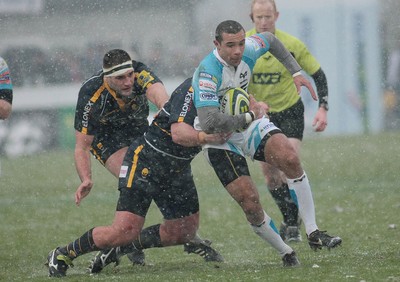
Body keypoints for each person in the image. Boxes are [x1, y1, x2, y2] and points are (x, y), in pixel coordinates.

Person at [46, 77, 227, 277]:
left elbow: (156, 88)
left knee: (184, 231)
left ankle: (122, 248)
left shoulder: (228, 86)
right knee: (123, 231)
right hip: (145, 163)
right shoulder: (198, 85)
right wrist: (206, 137)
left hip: (177, 166)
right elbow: (178, 134)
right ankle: (64, 253)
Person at [192, 20, 341, 259]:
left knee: (290, 158)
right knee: (250, 202)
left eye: (241, 43)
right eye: (230, 45)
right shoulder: (208, 71)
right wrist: (251, 114)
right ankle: (286, 252)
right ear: (216, 44)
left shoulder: (249, 49)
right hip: (218, 139)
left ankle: (313, 231)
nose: (238, 51)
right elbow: (210, 122)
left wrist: (296, 71)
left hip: (246, 124)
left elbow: (270, 40)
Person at [73, 49, 223, 265]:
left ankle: (137, 241)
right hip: (107, 141)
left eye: (129, 75)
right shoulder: (91, 93)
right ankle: (128, 238)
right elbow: (81, 146)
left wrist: (171, 115)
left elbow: (162, 99)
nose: (127, 82)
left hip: (139, 131)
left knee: (160, 178)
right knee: (142, 180)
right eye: (120, 78)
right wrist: (86, 178)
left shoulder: (140, 73)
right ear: (107, 78)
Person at [246, 0, 329, 242]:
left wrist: (323, 107)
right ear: (251, 18)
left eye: (268, 16)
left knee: (289, 159)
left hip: (289, 110)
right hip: (260, 115)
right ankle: (290, 219)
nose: (263, 22)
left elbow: (318, 75)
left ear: (277, 15)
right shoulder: (245, 47)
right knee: (271, 174)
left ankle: (297, 223)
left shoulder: (291, 44)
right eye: (259, 17)